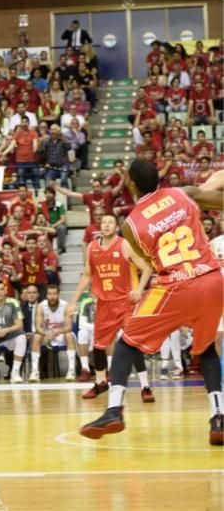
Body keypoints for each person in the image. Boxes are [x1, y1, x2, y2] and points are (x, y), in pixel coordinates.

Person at [80, 161, 224, 446]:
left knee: (126, 343)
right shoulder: (183, 194)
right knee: (206, 348)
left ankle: (113, 410)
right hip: (213, 280)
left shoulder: (130, 225)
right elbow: (217, 198)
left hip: (177, 284)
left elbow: (149, 258)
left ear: (131, 185)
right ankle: (218, 417)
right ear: (158, 178)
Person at [69, 213, 155, 403]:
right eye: (104, 222)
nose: (106, 225)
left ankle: (145, 386)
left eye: (110, 222)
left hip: (126, 302)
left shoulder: (124, 244)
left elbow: (148, 268)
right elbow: (86, 276)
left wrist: (139, 290)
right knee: (98, 346)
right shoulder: (92, 247)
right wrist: (74, 300)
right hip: (104, 303)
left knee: (132, 343)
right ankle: (101, 383)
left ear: (116, 227)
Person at [28, 284, 76, 383]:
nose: (52, 296)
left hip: (61, 334)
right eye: (50, 294)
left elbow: (69, 327)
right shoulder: (41, 306)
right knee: (37, 337)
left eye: (54, 294)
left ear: (58, 294)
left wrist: (58, 331)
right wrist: (46, 333)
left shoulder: (66, 306)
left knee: (69, 335)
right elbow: (37, 327)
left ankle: (71, 370)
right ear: (46, 295)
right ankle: (34, 371)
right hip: (47, 335)